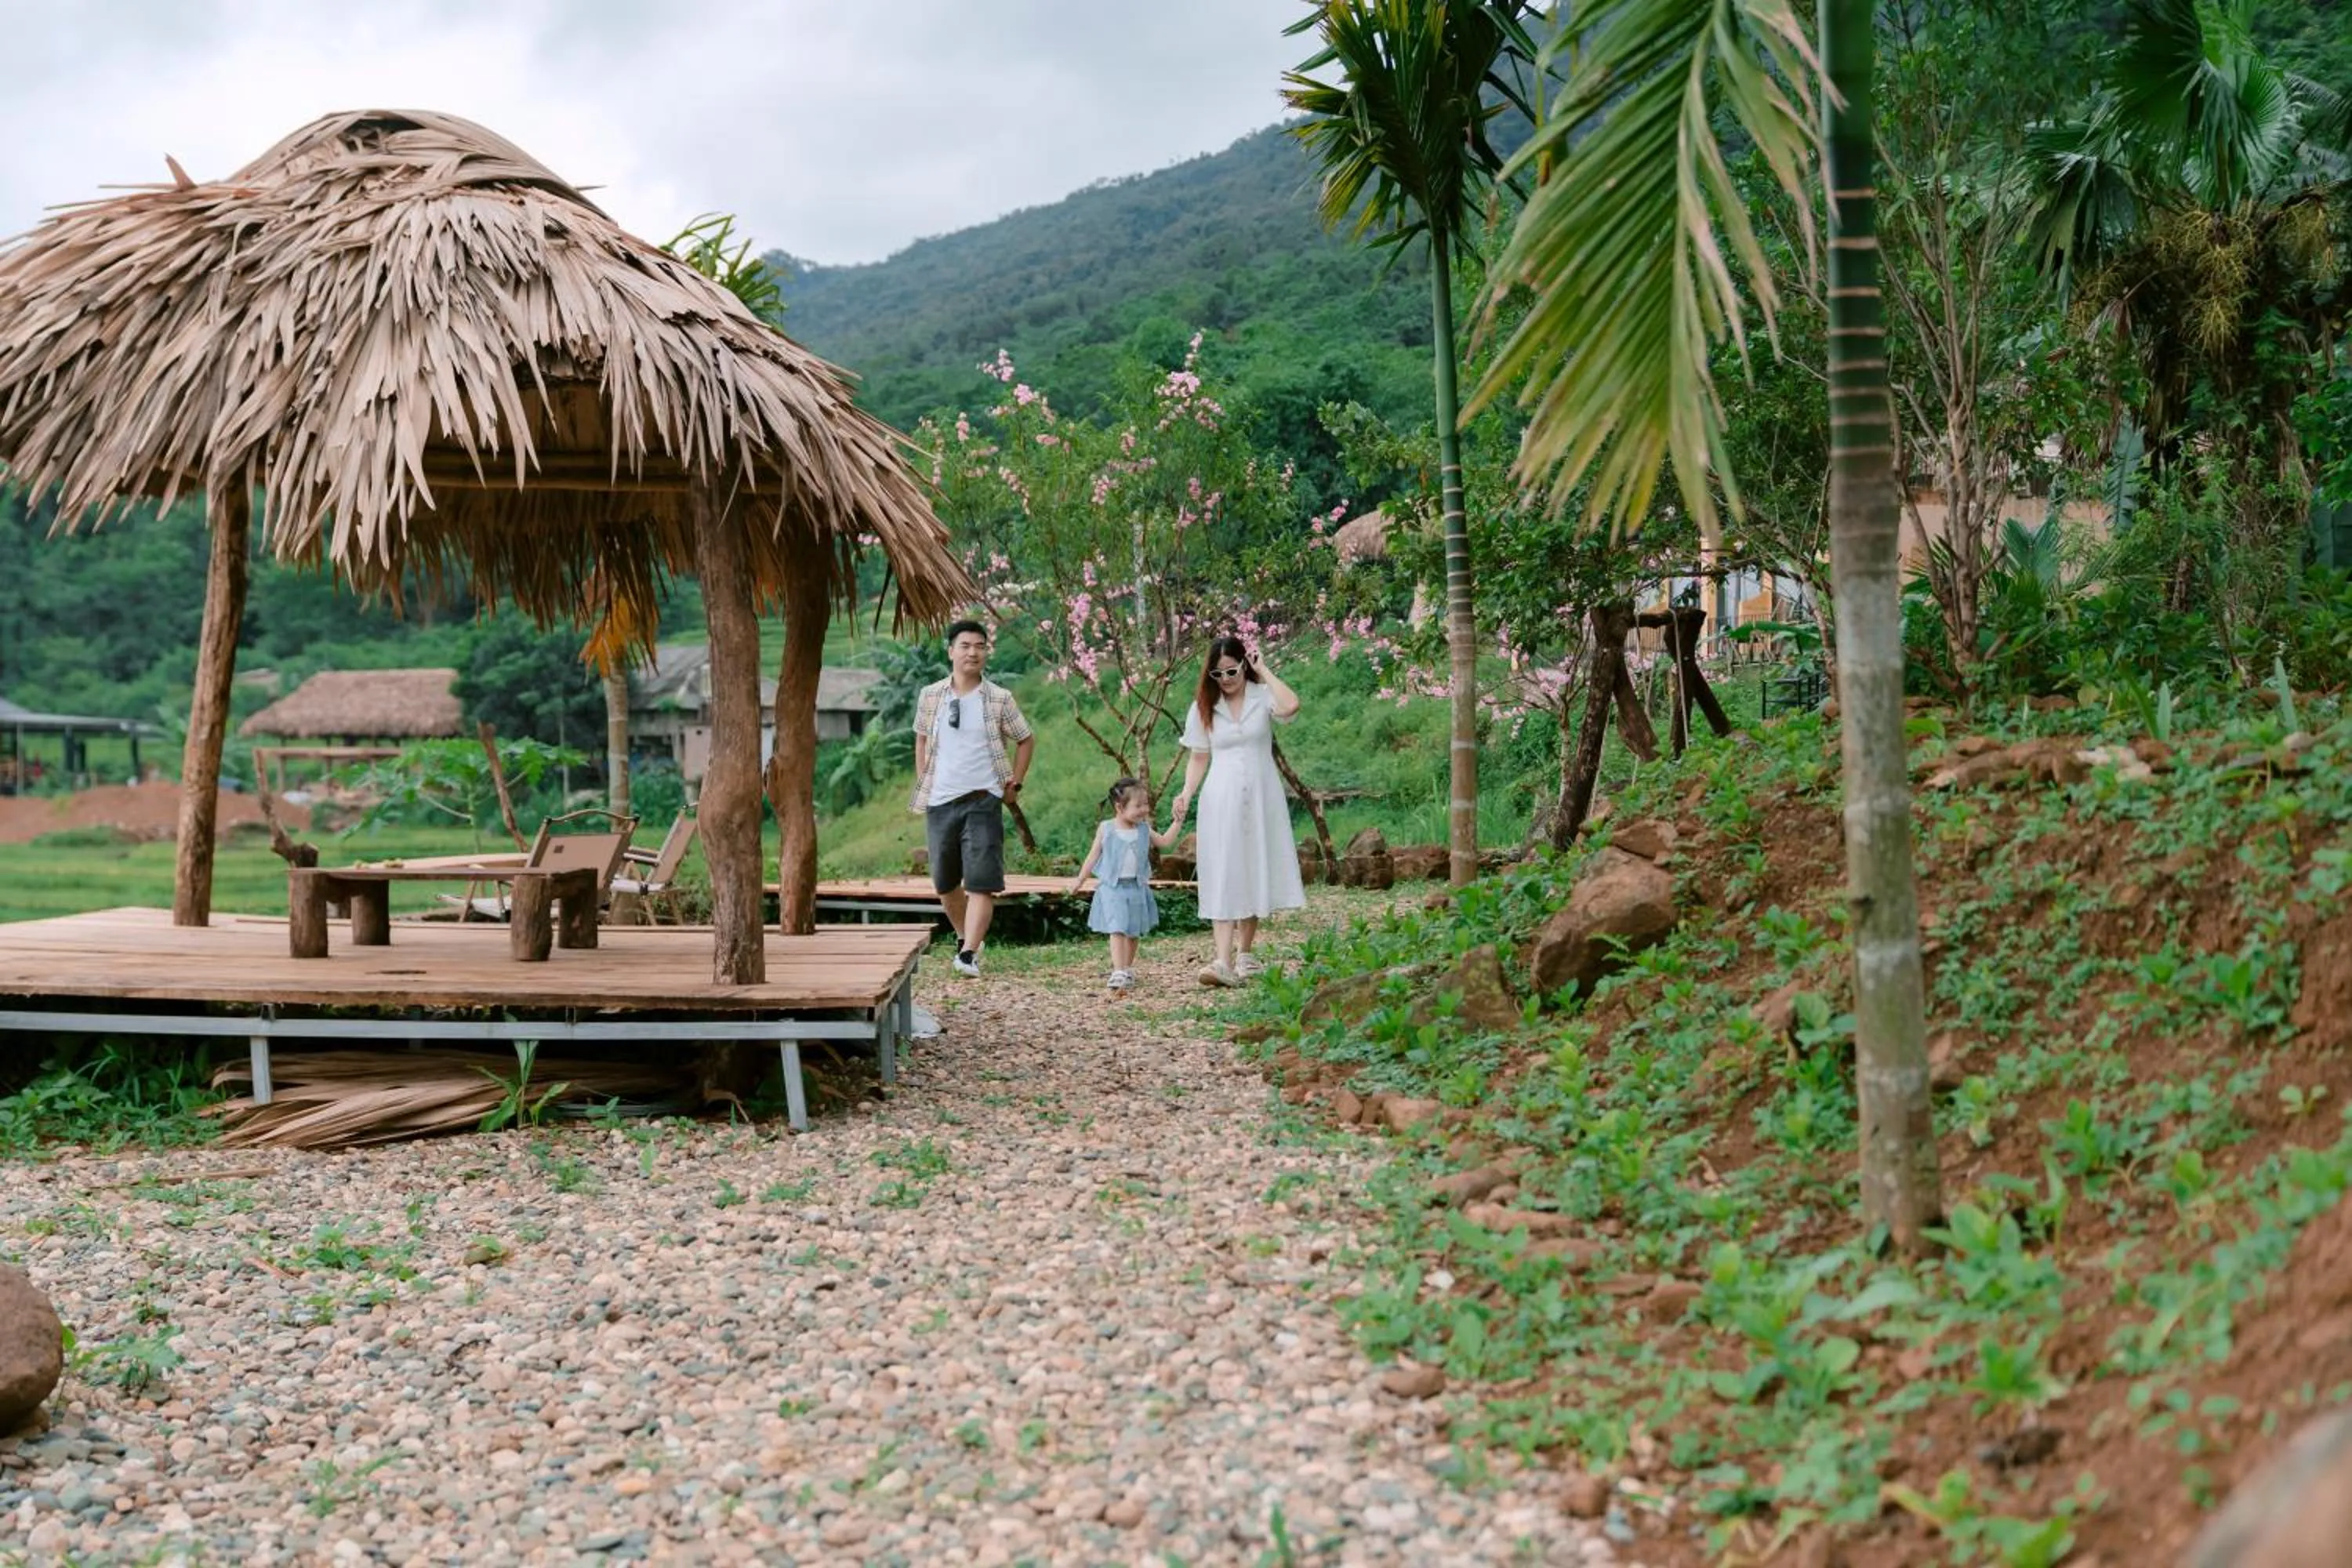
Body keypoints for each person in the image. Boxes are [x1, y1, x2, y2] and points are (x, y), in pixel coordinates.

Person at [1171, 635, 1304, 986]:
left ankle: (1245, 953)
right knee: (1225, 869)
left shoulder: (1262, 697)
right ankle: (1221, 961)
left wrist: (1264, 670)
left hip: (1262, 794)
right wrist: (1185, 793)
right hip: (1222, 796)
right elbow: (1199, 756)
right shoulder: (1204, 706)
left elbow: (1291, 706)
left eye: (1231, 671)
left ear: (1245, 665)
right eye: (1218, 674)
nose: (1226, 679)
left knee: (1254, 864)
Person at [909, 619, 1035, 976]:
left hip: (983, 799)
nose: (973, 652)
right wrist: (924, 780)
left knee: (982, 880)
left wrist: (1016, 782)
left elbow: (1026, 738)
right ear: (951, 651)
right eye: (965, 645)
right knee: (945, 882)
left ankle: (966, 953)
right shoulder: (931, 696)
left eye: (980, 646)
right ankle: (969, 942)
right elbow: (920, 738)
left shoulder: (998, 698)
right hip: (940, 800)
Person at [1069, 776, 1181, 992]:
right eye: (1138, 806)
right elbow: (1093, 856)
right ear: (1119, 807)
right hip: (1113, 888)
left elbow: (1166, 842)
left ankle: (1127, 968)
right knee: (1117, 928)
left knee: (1133, 931)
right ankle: (1118, 970)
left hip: (1137, 887)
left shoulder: (1143, 829)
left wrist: (1177, 821)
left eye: (1146, 804)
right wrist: (1079, 880)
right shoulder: (1107, 829)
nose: (1144, 810)